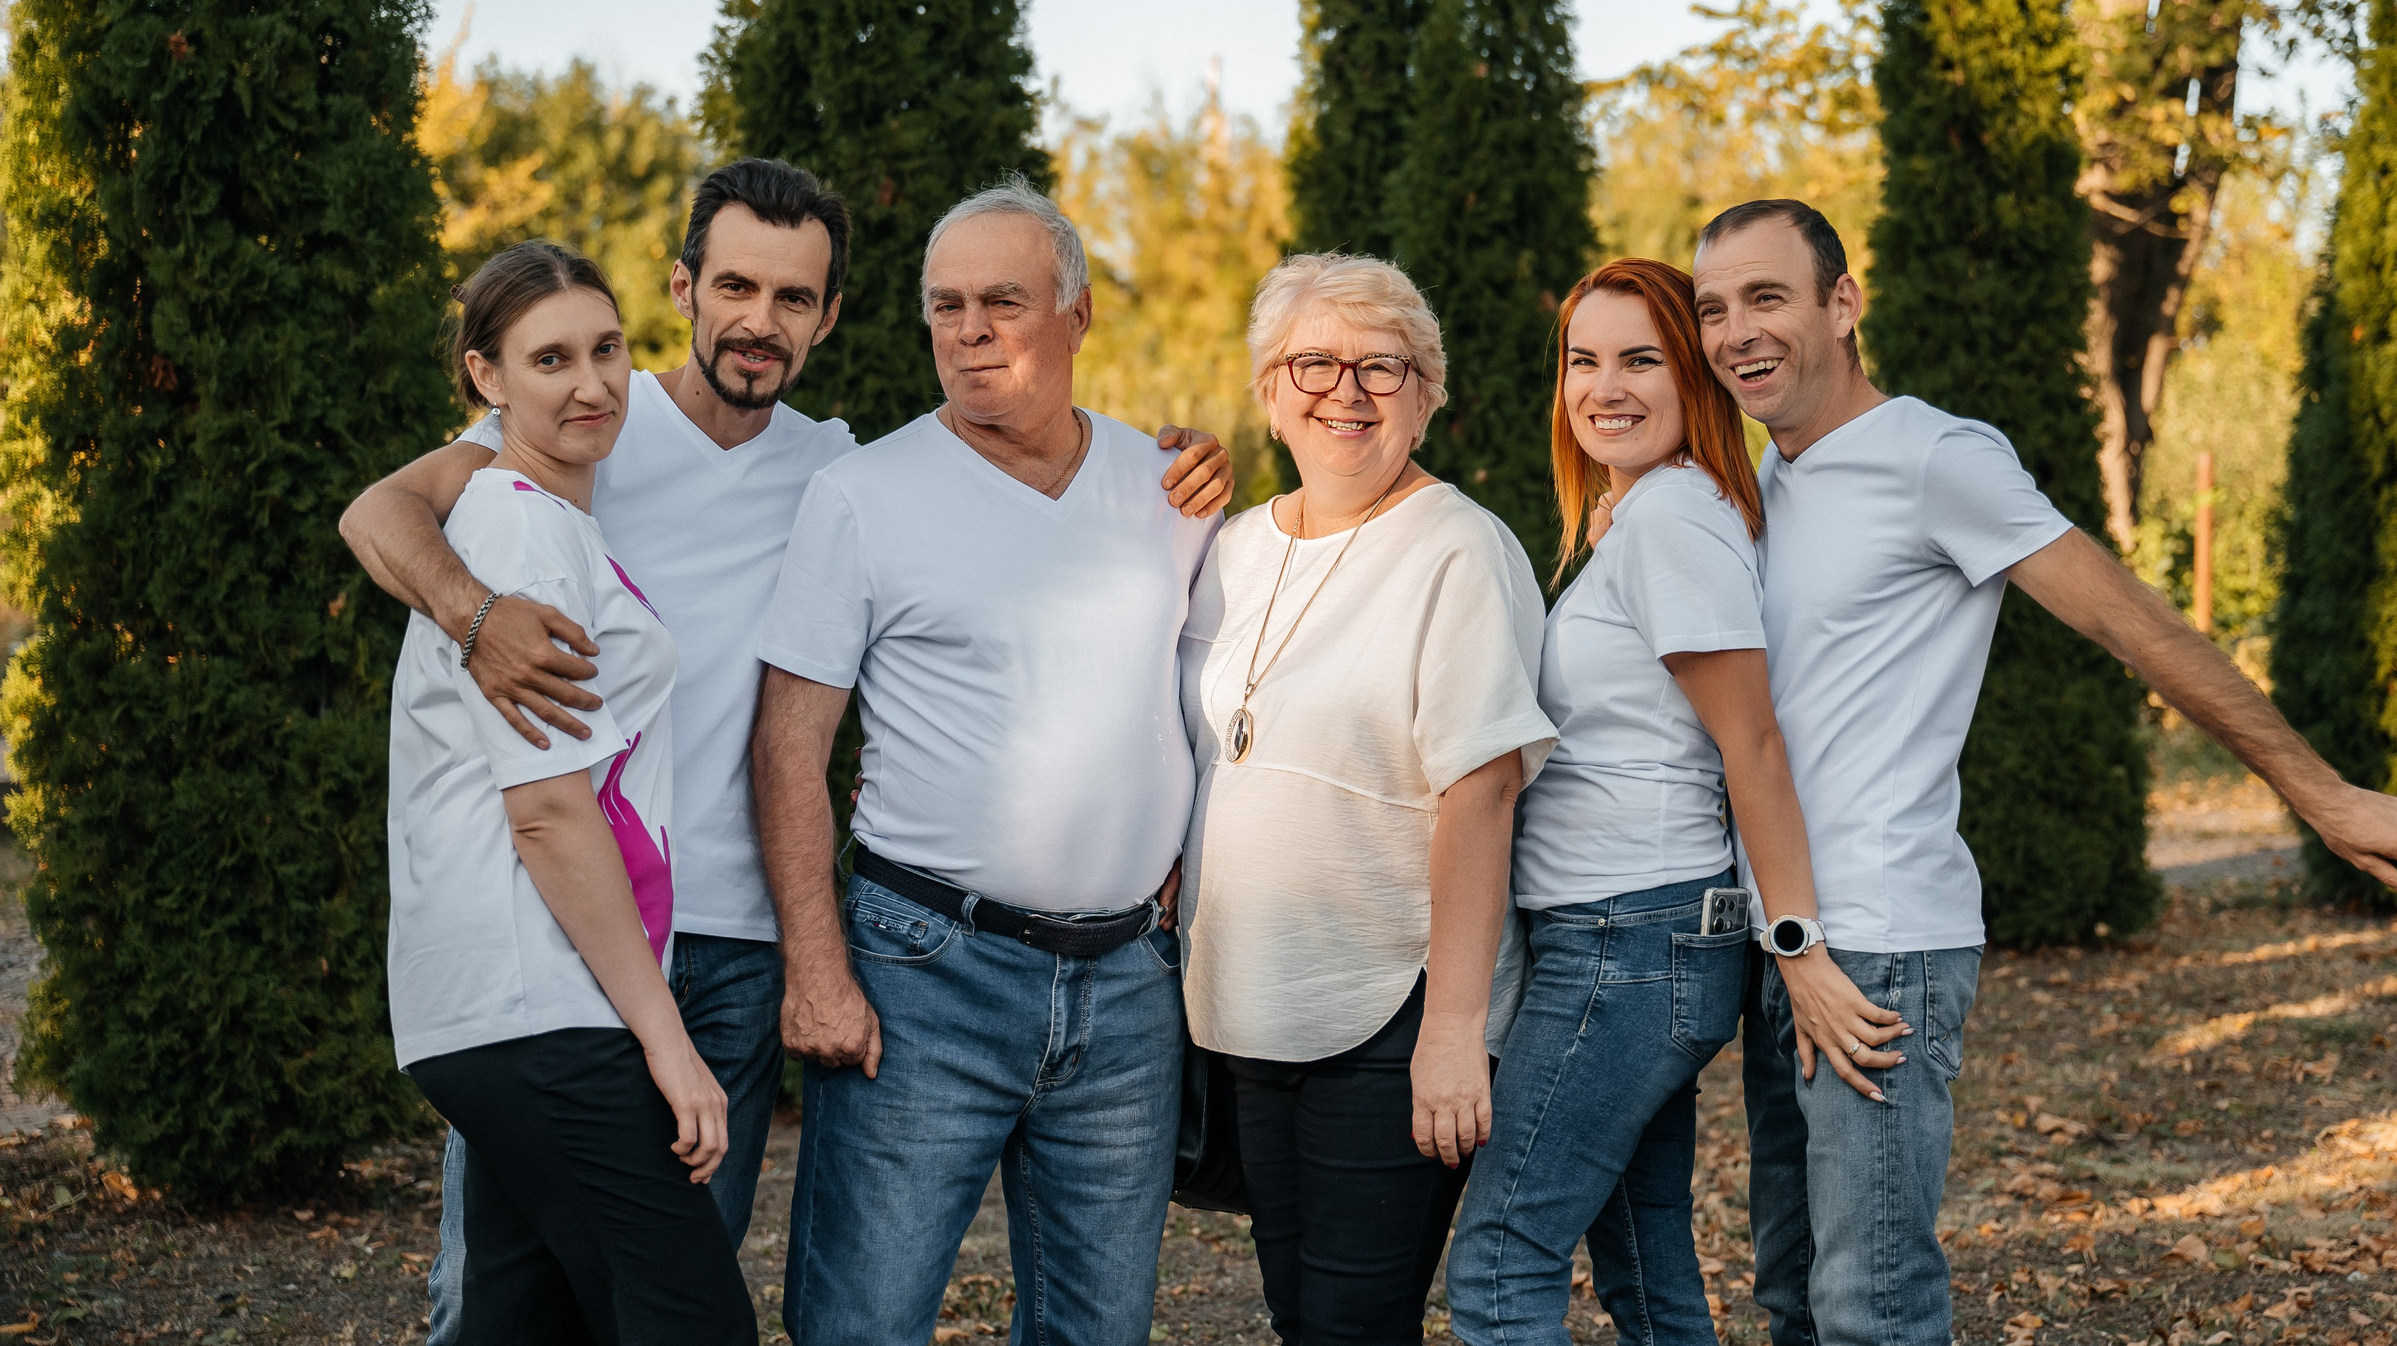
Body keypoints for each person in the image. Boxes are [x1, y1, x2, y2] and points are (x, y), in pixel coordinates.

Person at [341, 160, 1235, 1341]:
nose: (760, 321)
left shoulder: (837, 465)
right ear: (685, 287)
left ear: (828, 315)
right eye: (736, 286)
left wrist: (1185, 453)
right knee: (508, 1292)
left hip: (741, 939)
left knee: (674, 1277)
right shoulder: (585, 419)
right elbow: (377, 513)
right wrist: (473, 612)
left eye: (795, 298)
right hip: (577, 932)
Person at [1687, 199, 2397, 1346]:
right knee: (1794, 1295)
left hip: (1880, 940)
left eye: (1767, 296)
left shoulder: (1940, 456)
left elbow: (2137, 626)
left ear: (1843, 304)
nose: (1736, 329)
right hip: (1787, 938)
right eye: (1713, 307)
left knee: (1868, 1308)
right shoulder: (1765, 479)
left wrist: (2320, 791)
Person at [753, 180, 1223, 1346]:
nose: (968, 330)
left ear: (1077, 312)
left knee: (1097, 1329)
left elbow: (1210, 695)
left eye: (1001, 301)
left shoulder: (1167, 488)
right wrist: (815, 966)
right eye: (944, 305)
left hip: (1126, 985)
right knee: (863, 1319)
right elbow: (787, 743)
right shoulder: (861, 495)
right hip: (923, 970)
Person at [1446, 257, 1910, 1346]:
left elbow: (1750, 740)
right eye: (1583, 360)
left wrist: (1796, 943)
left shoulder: (1672, 520)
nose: (1604, 386)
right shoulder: (1656, 513)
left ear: (1692, 374)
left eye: (1640, 359)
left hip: (1629, 939)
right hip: (1627, 935)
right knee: (1646, 1266)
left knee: (1500, 1259)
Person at [1177, 252, 1558, 1346]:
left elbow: (1481, 794)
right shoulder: (1234, 548)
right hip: (1251, 1001)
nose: (1346, 389)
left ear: (1428, 395)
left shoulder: (1458, 549)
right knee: (1299, 1309)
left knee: (1352, 1318)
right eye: (1314, 362)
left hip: (1390, 1006)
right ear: (1267, 389)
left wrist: (1452, 1030)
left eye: (1383, 366)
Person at [387, 239, 755, 1343]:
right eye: (550, 358)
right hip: (536, 998)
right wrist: (669, 1041)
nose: (592, 383)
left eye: (607, 349)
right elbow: (547, 810)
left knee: (521, 1320)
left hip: (499, 1002)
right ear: (486, 378)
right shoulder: (518, 526)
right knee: (689, 1320)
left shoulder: (543, 520)